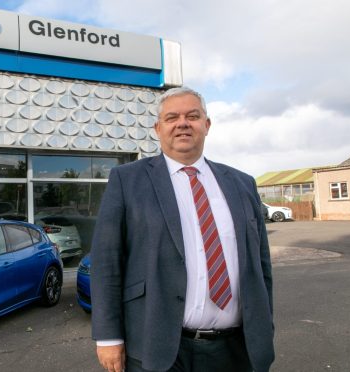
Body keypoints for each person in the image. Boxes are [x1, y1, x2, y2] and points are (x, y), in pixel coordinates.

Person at [90, 87, 274, 372]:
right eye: (172, 117)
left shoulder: (242, 183)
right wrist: (108, 336)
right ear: (158, 128)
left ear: (207, 125)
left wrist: (265, 324)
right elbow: (107, 263)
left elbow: (262, 267)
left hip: (236, 349)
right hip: (157, 347)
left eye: (193, 116)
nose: (183, 123)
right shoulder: (127, 180)